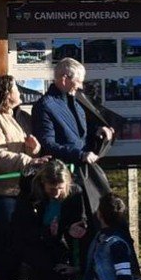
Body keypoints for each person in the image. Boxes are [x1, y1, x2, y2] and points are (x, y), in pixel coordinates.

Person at [0, 75, 41, 280]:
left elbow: (24, 151)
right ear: (7, 93)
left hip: (22, 191)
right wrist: (29, 160)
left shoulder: (18, 118)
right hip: (3, 194)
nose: (20, 92)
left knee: (19, 244)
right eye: (16, 88)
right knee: (5, 246)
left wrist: (34, 149)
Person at [30, 57, 114, 204]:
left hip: (83, 174)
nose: (81, 86)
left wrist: (98, 131)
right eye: (79, 81)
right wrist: (80, 154)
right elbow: (48, 144)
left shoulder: (76, 102)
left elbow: (80, 133)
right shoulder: (44, 106)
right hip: (61, 180)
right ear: (64, 79)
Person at [14, 158, 87, 280]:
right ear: (43, 183)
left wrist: (75, 227)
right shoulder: (30, 194)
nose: (56, 193)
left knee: (60, 262)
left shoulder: (75, 193)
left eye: (60, 189)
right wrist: (46, 232)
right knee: (40, 263)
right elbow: (22, 226)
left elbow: (79, 218)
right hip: (32, 238)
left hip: (58, 237)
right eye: (51, 189)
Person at [74, 193, 138, 280]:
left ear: (100, 214)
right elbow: (95, 264)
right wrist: (74, 269)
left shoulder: (116, 243)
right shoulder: (100, 235)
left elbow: (125, 278)